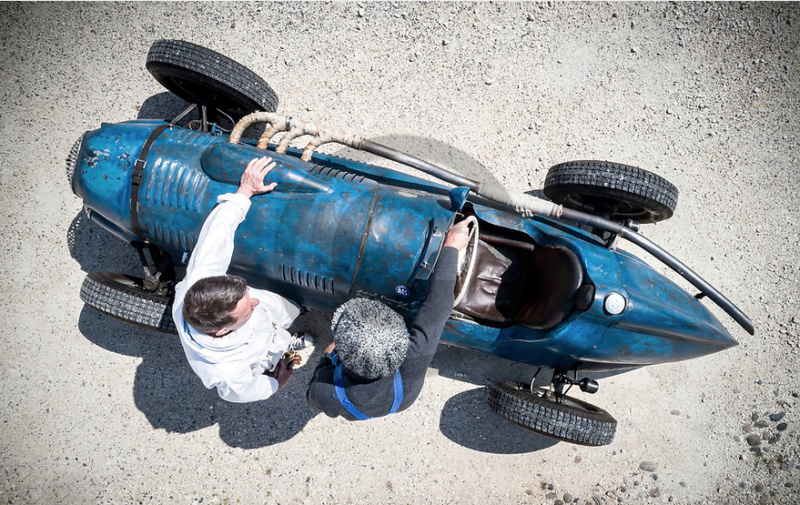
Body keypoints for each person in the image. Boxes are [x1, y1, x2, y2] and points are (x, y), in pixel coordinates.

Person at [173, 156, 314, 403]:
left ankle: (293, 315)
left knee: (284, 309)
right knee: (274, 348)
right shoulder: (227, 370)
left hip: (266, 321)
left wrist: (244, 191)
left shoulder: (201, 279)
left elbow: (218, 233)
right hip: (259, 352)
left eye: (246, 296)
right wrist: (278, 382)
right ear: (222, 330)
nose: (255, 302)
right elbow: (245, 392)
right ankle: (288, 349)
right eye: (248, 308)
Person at [306, 220, 471, 420]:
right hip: (404, 395)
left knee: (328, 353)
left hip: (386, 398)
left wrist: (328, 357)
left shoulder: (323, 394)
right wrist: (451, 247)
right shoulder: (412, 361)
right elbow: (438, 308)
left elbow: (313, 396)